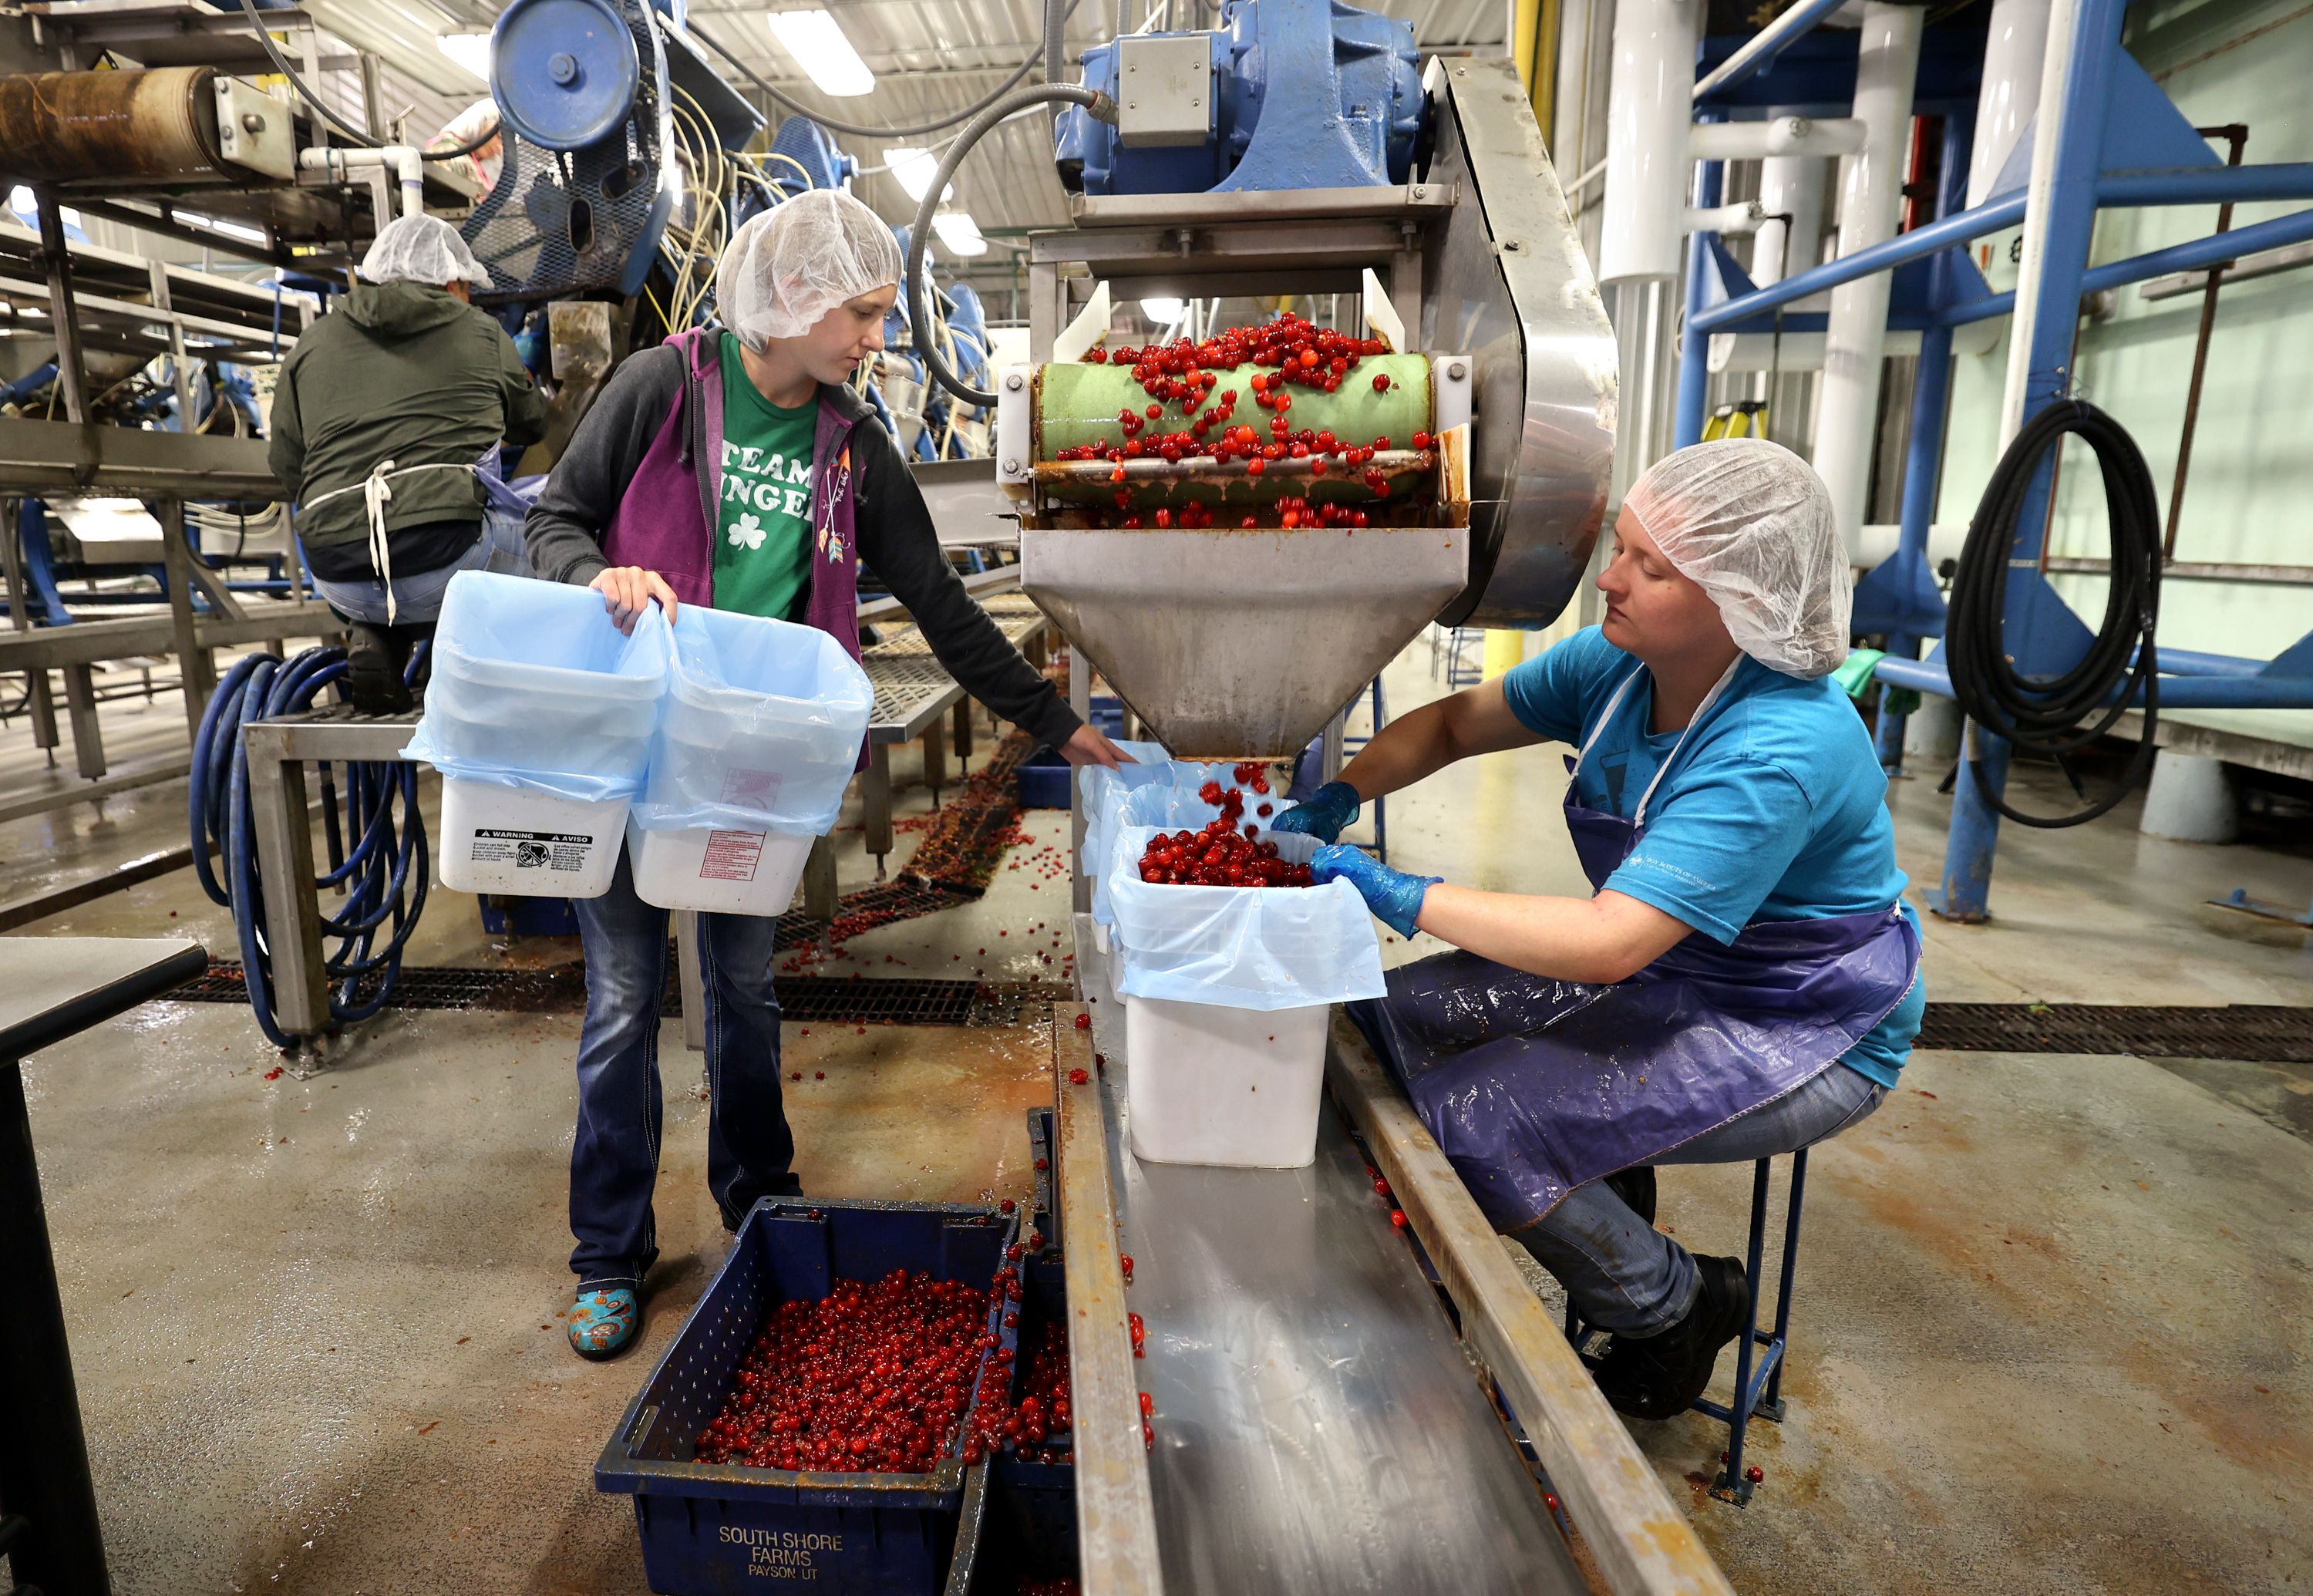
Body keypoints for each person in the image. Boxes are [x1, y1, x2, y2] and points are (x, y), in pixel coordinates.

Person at [524, 189, 1129, 1359]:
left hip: (747, 763)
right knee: (617, 1008)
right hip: (631, 753)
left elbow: (943, 603)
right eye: (859, 312)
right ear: (790, 301)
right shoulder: (662, 387)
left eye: (878, 313)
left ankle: (759, 1200)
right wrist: (599, 577)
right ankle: (608, 1253)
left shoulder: (851, 443)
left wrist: (1054, 723)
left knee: (745, 994)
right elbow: (556, 521)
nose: (875, 337)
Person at [1281, 439, 1924, 1422]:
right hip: (1669, 968)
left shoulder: (1776, 748)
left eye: (1649, 566)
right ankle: (1602, 1182)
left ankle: (1669, 1303)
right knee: (1387, 1014)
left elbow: (1608, 943)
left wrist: (1391, 890)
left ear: (1738, 602)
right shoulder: (1622, 666)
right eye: (1619, 545)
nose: (1609, 579)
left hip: (1797, 1022)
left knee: (1485, 1115)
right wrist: (1341, 796)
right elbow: (1454, 725)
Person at [268, 214, 546, 711]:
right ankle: (479, 666)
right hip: (448, 560)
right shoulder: (480, 332)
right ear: (454, 280)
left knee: (400, 559)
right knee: (561, 539)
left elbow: (287, 466)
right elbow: (532, 424)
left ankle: (381, 636)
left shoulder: (312, 340)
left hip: (335, 572)